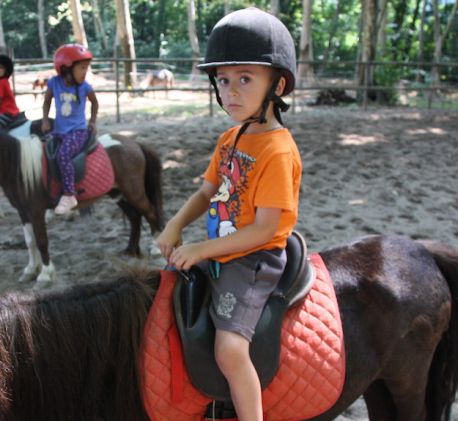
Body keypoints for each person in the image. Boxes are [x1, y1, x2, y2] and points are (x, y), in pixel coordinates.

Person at [155, 8, 301, 421]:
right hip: (220, 249)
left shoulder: (277, 150)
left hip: (254, 259)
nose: (230, 91)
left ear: (278, 84)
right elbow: (206, 191)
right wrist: (175, 224)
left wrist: (203, 248)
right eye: (223, 79)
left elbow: (267, 228)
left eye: (245, 78)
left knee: (230, 348)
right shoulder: (231, 137)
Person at [41, 44, 99, 214]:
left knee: (63, 154)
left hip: (78, 131)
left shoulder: (85, 87)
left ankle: (69, 195)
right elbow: (47, 101)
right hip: (59, 131)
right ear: (66, 68)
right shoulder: (54, 83)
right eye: (82, 68)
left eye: (86, 68)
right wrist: (45, 119)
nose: (85, 72)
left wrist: (93, 122)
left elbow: (94, 103)